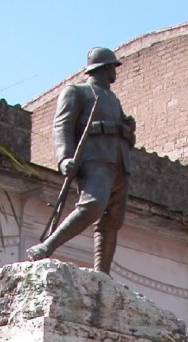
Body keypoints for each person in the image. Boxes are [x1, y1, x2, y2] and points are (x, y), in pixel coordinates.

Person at [26, 47, 136, 274]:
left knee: (112, 220)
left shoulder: (113, 99)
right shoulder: (77, 92)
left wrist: (127, 127)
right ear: (105, 68)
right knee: (92, 205)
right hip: (94, 158)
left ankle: (102, 273)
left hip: (119, 163)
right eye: (113, 68)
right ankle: (47, 246)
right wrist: (64, 157)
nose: (115, 73)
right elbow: (62, 126)